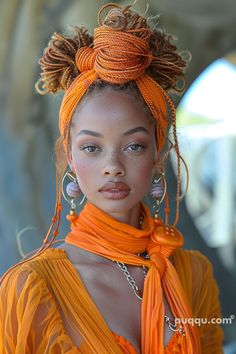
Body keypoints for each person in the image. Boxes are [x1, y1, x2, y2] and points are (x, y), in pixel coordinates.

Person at [0, 3, 224, 353]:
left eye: (134, 146)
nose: (113, 166)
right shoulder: (32, 286)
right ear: (69, 157)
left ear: (158, 157)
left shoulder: (193, 274)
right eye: (92, 148)